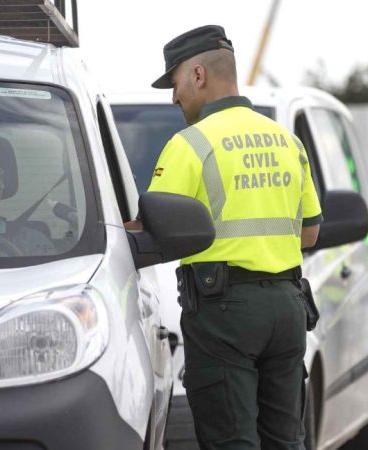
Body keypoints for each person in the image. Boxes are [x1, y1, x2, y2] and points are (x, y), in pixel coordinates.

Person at [143, 25, 323, 450]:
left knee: (231, 441)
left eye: (175, 84)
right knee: (286, 441)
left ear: (198, 74)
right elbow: (311, 231)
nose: (174, 98)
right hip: (287, 307)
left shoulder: (190, 144)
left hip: (224, 314)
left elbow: (154, 231)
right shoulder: (287, 141)